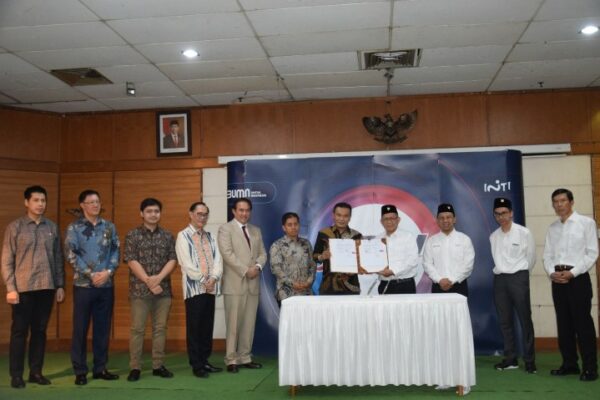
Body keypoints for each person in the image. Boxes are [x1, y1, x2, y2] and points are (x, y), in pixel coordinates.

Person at [1, 185, 64, 389]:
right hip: (22, 288)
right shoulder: (15, 227)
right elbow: (6, 259)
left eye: (43, 200)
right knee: (19, 331)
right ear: (26, 202)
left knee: (40, 331)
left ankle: (35, 372)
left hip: (46, 287)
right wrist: (10, 287)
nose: (40, 204)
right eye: (36, 200)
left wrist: (60, 285)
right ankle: (16, 375)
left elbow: (57, 259)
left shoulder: (52, 227)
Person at [65, 189, 120, 385]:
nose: (95, 205)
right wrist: (91, 274)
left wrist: (108, 272)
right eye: (91, 202)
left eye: (97, 201)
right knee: (80, 329)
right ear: (82, 205)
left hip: (106, 285)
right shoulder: (74, 228)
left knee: (102, 328)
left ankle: (100, 368)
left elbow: (115, 250)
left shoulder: (109, 227)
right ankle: (80, 371)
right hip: (83, 286)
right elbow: (71, 255)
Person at [543, 188, 598, 381]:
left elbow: (592, 253)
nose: (559, 205)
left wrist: (572, 273)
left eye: (562, 201)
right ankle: (569, 364)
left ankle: (590, 367)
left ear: (571, 202)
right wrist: (551, 272)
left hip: (578, 279)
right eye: (555, 202)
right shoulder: (552, 228)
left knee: (583, 325)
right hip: (557, 280)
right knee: (564, 324)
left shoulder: (586, 223)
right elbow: (547, 256)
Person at [124, 198, 177, 382]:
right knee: (137, 329)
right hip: (140, 291)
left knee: (160, 329)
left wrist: (158, 279)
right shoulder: (133, 235)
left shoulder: (168, 235)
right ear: (142, 213)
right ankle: (135, 367)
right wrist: (148, 281)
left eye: (156, 211)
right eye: (149, 211)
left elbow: (172, 260)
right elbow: (131, 260)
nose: (153, 214)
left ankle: (158, 365)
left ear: (160, 213)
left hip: (163, 291)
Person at [217, 198, 266, 373]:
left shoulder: (256, 230)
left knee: (248, 323)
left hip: (253, 284)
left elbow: (262, 254)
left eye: (247, 210)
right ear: (234, 211)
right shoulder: (225, 229)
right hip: (235, 283)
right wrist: (246, 270)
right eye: (241, 210)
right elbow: (227, 254)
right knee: (233, 323)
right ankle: (231, 360)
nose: (244, 213)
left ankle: (245, 357)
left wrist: (258, 267)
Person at [176, 202, 223, 378]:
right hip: (194, 290)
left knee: (206, 327)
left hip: (210, 288)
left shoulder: (210, 236)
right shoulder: (183, 236)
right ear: (191, 214)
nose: (202, 217)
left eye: (205, 214)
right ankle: (196, 364)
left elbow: (218, 260)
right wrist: (204, 280)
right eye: (199, 214)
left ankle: (205, 360)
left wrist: (214, 278)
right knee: (195, 328)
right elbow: (186, 264)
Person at [489, 197, 537, 373]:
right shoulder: (493, 236)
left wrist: (522, 275)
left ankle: (530, 360)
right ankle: (510, 358)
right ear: (494, 215)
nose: (501, 217)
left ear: (511, 213)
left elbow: (531, 258)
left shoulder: (524, 233)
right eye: (497, 214)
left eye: (504, 213)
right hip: (500, 280)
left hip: (519, 277)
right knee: (505, 321)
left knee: (525, 320)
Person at [423, 203, 474, 297]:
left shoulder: (464, 239)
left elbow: (468, 265)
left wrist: (452, 280)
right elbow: (427, 264)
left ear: (454, 219)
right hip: (438, 286)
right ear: (437, 220)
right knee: (438, 312)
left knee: (459, 312)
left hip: (459, 285)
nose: (445, 220)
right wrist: (439, 280)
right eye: (441, 218)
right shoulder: (431, 241)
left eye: (448, 217)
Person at [313, 202, 362, 295]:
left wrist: (358, 267)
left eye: (345, 216)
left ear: (350, 217)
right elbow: (314, 256)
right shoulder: (324, 233)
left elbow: (362, 261)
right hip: (328, 286)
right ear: (333, 215)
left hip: (351, 286)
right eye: (339, 215)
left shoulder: (357, 236)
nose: (341, 219)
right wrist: (322, 256)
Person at [269, 212, 316, 305]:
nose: (293, 227)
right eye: (290, 225)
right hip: (286, 294)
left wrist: (309, 282)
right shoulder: (277, 245)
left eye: (296, 224)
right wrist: (293, 284)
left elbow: (312, 265)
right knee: (288, 320)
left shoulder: (306, 244)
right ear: (284, 227)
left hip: (306, 293)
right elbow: (276, 269)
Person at [376, 204, 419, 294]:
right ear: (381, 221)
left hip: (405, 285)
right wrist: (372, 268)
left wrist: (393, 271)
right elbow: (374, 260)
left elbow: (412, 260)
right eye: (386, 219)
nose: (389, 222)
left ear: (398, 220)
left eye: (392, 218)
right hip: (384, 285)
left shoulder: (408, 237)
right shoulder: (377, 239)